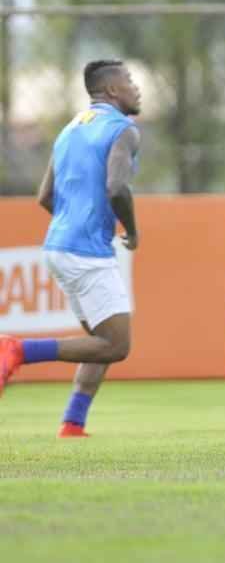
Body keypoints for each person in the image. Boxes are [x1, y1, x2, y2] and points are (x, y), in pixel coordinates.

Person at [0, 60, 142, 438]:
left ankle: (73, 423)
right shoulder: (123, 130)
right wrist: (130, 228)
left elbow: (45, 195)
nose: (136, 88)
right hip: (86, 251)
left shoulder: (70, 130)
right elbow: (116, 188)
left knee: (98, 341)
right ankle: (17, 350)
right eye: (129, 81)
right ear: (112, 91)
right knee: (115, 344)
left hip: (58, 245)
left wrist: (75, 218)